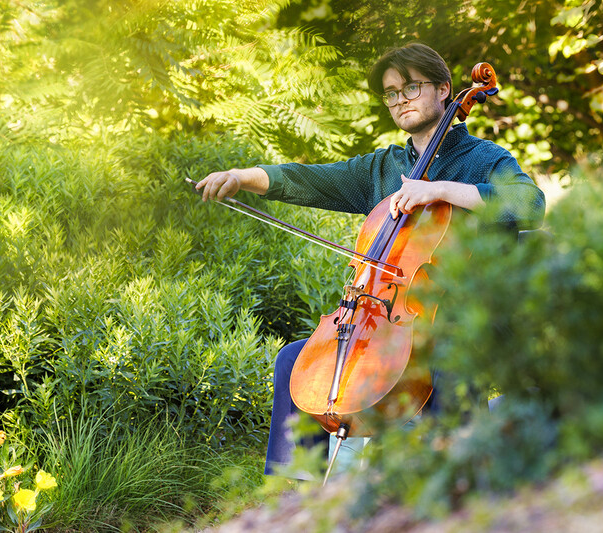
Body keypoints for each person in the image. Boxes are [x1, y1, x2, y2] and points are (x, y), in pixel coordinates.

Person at [196, 43, 545, 476]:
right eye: (391, 92)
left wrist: (440, 191)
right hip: (393, 320)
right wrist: (242, 177)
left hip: (466, 317)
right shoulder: (384, 167)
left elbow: (529, 204)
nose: (400, 99)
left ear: (443, 90)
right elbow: (310, 180)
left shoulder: (485, 159)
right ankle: (296, 494)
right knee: (293, 361)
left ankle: (459, 480)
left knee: (445, 357)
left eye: (411, 87)